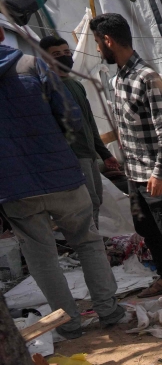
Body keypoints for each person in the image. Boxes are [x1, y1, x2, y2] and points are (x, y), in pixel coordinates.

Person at [0, 26, 124, 338]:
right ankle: (109, 310)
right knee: (87, 241)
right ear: (1, 36)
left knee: (42, 258)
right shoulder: (31, 65)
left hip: (14, 189)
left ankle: (68, 324)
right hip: (61, 176)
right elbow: (69, 116)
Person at [90, 13, 162, 300]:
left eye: (98, 43)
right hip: (134, 173)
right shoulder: (119, 77)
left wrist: (160, 173)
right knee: (146, 228)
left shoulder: (148, 78)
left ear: (108, 40)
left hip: (156, 173)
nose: (98, 49)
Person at [39, 34, 119, 228]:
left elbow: (89, 122)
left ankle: (96, 243)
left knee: (96, 199)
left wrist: (104, 153)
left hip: (89, 153)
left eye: (67, 52)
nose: (64, 57)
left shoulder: (76, 85)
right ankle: (90, 246)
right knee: (87, 203)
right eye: (57, 54)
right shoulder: (47, 88)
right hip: (72, 155)